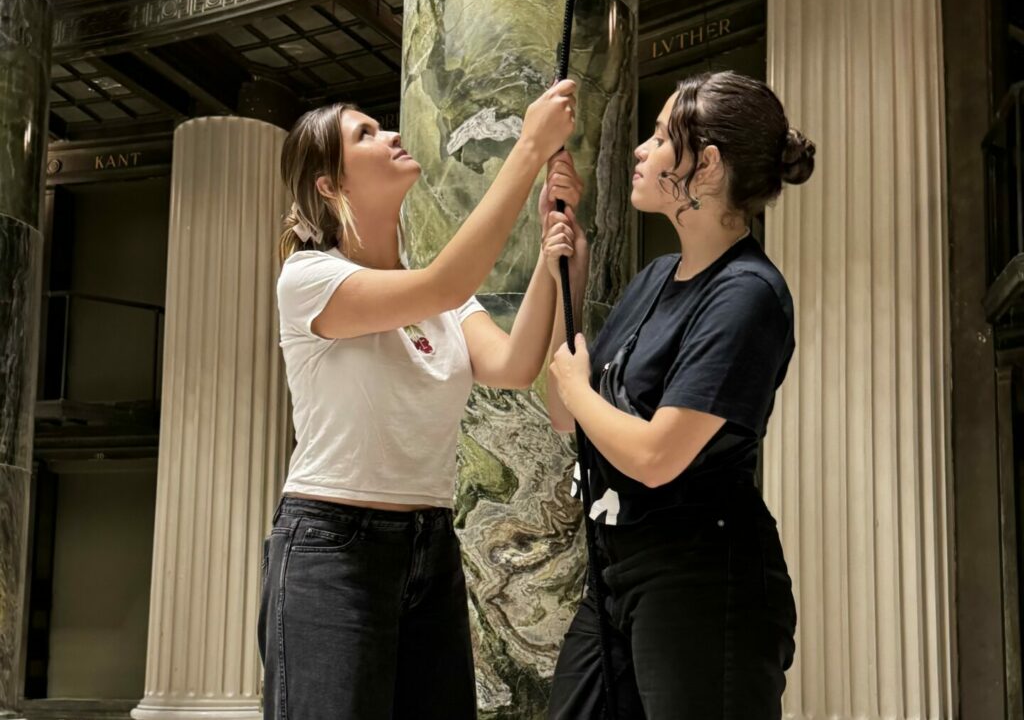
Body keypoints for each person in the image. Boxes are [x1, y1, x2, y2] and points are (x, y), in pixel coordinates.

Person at [258, 78, 583, 720]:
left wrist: (551, 257)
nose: (393, 135)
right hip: (331, 545)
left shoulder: (440, 297)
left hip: (429, 544)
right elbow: (446, 280)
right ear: (330, 185)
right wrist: (527, 148)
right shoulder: (310, 278)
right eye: (366, 134)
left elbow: (516, 366)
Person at [542, 70, 814, 720]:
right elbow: (565, 412)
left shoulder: (746, 294)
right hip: (615, 566)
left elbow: (658, 456)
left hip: (701, 577)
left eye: (662, 137)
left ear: (708, 166)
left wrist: (578, 388)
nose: (641, 149)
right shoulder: (655, 277)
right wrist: (569, 285)